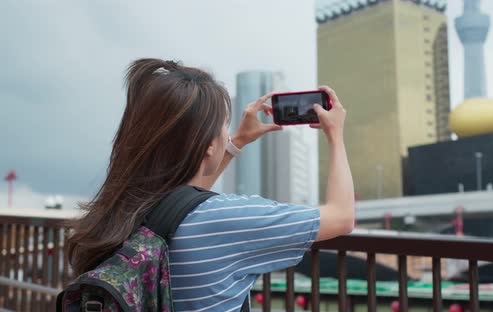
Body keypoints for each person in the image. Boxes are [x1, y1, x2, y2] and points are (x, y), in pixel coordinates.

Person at [65, 58, 355, 311]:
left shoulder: (121, 207)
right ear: (206, 146)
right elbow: (341, 217)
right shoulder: (225, 218)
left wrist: (237, 141)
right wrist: (336, 135)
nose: (226, 135)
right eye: (224, 127)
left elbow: (186, 200)